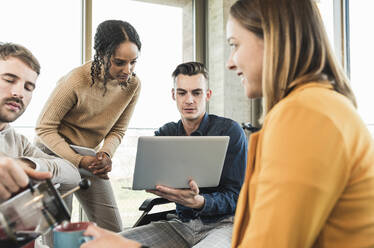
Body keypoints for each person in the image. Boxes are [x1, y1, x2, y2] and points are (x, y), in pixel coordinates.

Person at [225, 0, 374, 247]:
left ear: (273, 38)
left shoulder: (304, 114)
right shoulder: (322, 106)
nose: (230, 62)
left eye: (235, 45)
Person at [120, 62, 247, 247]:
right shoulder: (165, 134)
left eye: (196, 93)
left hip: (223, 225)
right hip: (181, 225)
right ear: (174, 95)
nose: (189, 100)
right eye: (182, 93)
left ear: (208, 95)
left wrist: (201, 202)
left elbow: (238, 196)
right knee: (111, 243)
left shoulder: (230, 131)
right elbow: (152, 175)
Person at [34, 20, 142, 232]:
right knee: (58, 234)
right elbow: (44, 128)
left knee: (113, 230)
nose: (127, 70)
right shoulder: (76, 80)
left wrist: (105, 155)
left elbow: (117, 130)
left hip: (88, 157)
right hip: (52, 152)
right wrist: (78, 160)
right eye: (120, 62)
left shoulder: (133, 85)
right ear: (101, 54)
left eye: (133, 63)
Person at [0, 42, 80, 202]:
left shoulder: (18, 141)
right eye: (9, 80)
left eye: (28, 88)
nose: (19, 93)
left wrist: (25, 164)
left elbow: (72, 174)